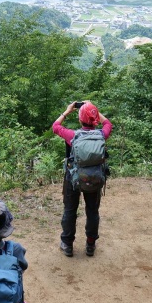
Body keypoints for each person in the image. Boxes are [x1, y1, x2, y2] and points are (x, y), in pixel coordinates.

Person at [52, 101, 113, 257]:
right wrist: (94, 110)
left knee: (70, 210)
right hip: (95, 178)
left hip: (73, 178)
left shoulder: (73, 136)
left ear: (80, 119)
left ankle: (67, 244)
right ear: (95, 120)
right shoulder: (101, 135)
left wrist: (66, 111)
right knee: (92, 211)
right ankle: (90, 244)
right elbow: (108, 124)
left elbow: (55, 127)